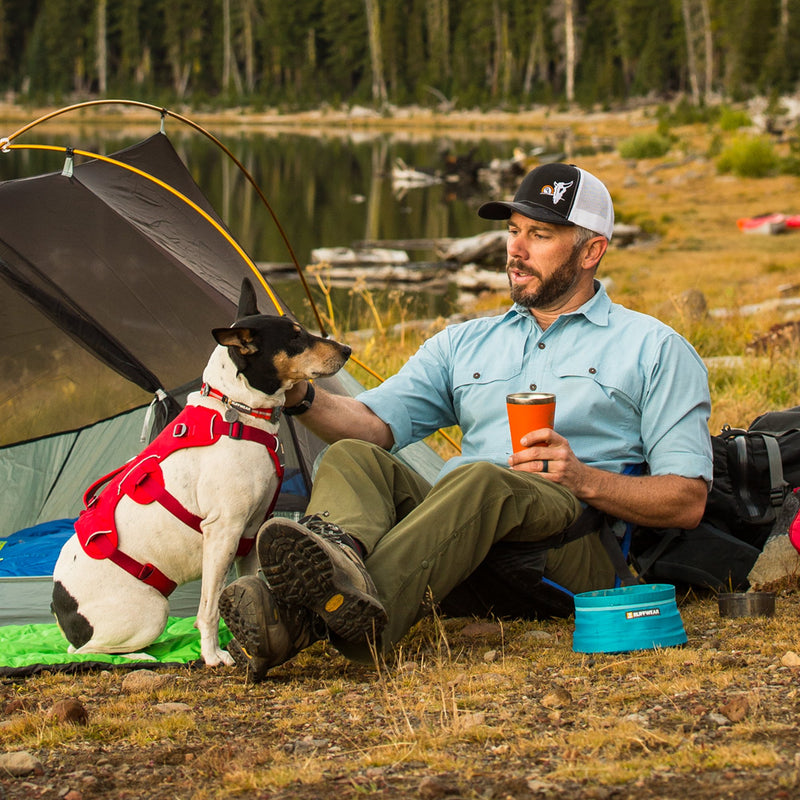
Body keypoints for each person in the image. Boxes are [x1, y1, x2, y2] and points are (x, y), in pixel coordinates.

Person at [218, 162, 713, 680]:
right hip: (462, 544)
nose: (515, 251)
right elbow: (371, 424)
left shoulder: (654, 348)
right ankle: (336, 569)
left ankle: (313, 621)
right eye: (513, 231)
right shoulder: (464, 342)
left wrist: (581, 476)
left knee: (479, 479)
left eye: (539, 235)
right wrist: (298, 395)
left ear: (591, 251)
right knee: (352, 458)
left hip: (568, 547)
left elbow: (688, 500)